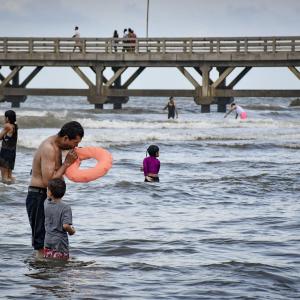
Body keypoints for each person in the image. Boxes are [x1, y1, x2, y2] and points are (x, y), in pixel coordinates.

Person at [25, 121, 84, 258]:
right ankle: (40, 273)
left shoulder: (58, 146)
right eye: (75, 143)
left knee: (52, 236)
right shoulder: (49, 148)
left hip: (48, 198)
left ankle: (49, 273)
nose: (76, 147)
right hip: (38, 196)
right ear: (65, 138)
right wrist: (67, 164)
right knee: (41, 242)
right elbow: (49, 182)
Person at [44, 178, 75, 260]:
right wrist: (72, 231)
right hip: (60, 244)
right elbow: (65, 226)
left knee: (50, 263)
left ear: (50, 192)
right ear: (64, 192)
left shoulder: (46, 203)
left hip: (47, 240)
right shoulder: (65, 207)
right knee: (61, 267)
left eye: (47, 189)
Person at [0, 110, 18, 184]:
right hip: (12, 152)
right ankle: (12, 190)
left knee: (4, 177)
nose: (4, 119)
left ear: (7, 118)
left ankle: (5, 193)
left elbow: (0, 137)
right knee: (9, 176)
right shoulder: (15, 126)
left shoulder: (7, 126)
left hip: (5, 151)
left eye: (5, 117)